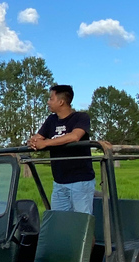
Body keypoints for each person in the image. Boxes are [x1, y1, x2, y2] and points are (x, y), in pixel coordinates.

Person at [28, 85, 96, 215]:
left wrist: (45, 143)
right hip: (59, 182)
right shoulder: (51, 120)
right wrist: (33, 141)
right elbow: (38, 137)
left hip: (80, 181)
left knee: (83, 223)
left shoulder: (81, 117)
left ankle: (89, 237)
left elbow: (75, 136)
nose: (48, 102)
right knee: (60, 222)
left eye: (50, 98)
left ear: (61, 102)